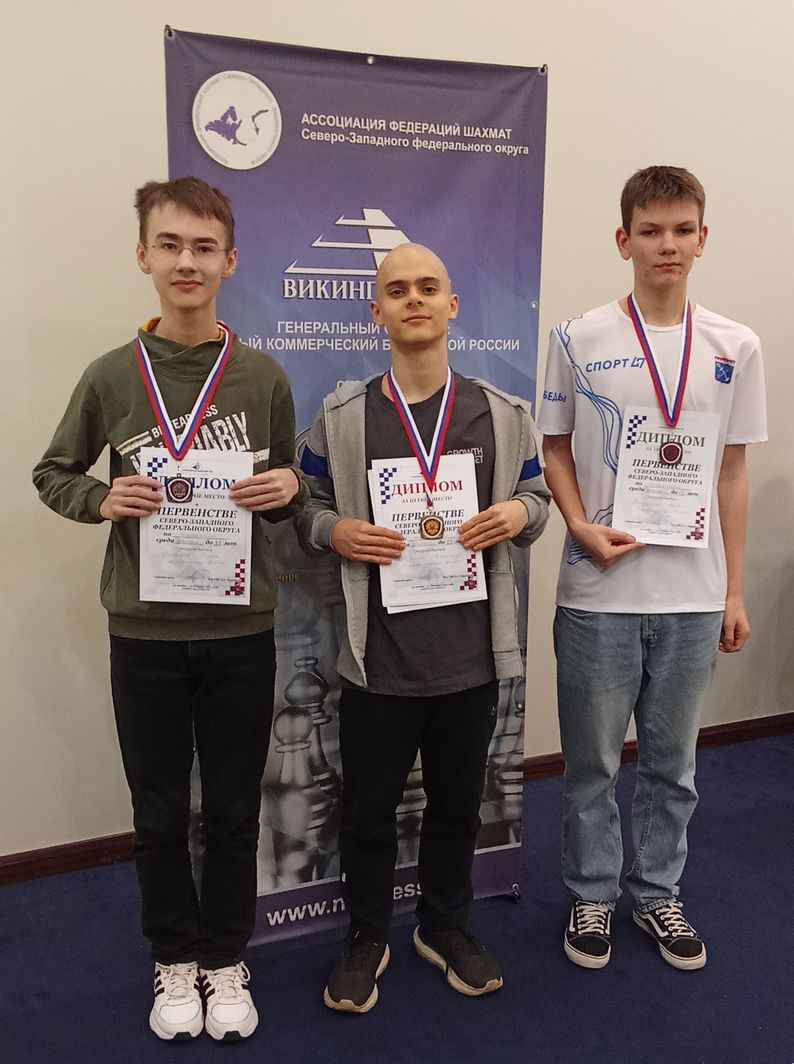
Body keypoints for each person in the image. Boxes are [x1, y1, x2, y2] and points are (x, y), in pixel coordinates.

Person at [33, 177, 307, 1041]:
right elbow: (53, 472)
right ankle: (174, 957)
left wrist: (290, 487)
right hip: (145, 633)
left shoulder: (262, 376)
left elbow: (291, 485)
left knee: (231, 809)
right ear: (143, 255)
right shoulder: (111, 375)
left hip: (240, 627)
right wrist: (99, 499)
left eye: (203, 247)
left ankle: (225, 957)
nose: (187, 261)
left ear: (231, 260)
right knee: (157, 812)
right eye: (170, 245)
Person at [295, 243, 550, 1012]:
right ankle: (367, 933)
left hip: (471, 659)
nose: (414, 299)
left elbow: (540, 500)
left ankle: (444, 925)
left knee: (457, 807)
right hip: (377, 660)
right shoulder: (342, 417)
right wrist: (334, 530)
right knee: (368, 812)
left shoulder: (502, 415)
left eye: (428, 287)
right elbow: (302, 503)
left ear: (452, 305)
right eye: (398, 290)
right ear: (376, 310)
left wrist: (519, 514)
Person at [537, 166, 767, 972]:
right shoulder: (577, 337)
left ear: (702, 239)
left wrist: (734, 590)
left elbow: (732, 473)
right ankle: (592, 894)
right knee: (592, 766)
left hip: (694, 597)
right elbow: (553, 448)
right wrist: (578, 526)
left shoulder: (736, 345)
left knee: (673, 766)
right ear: (623, 239)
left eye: (681, 230)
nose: (666, 244)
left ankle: (658, 891)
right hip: (598, 590)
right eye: (650, 230)